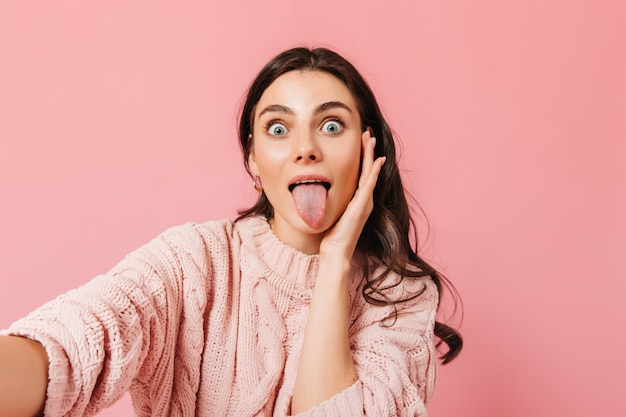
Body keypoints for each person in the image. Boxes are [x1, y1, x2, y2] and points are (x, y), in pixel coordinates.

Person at [0, 46, 462, 417]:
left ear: (367, 148)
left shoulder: (400, 297)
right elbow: (82, 338)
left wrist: (335, 260)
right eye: (278, 128)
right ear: (253, 160)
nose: (305, 148)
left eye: (331, 124)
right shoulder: (193, 261)